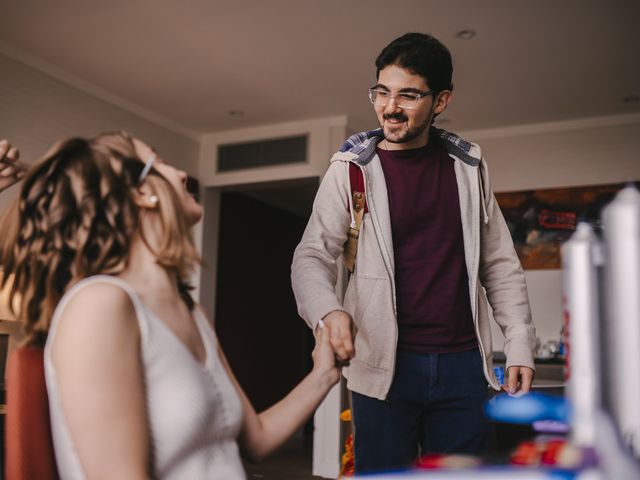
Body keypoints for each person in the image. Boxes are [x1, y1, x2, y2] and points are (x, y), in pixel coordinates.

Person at [0, 131, 340, 479]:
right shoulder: (99, 306)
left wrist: (324, 374)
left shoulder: (192, 312)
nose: (180, 174)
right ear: (142, 193)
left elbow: (258, 439)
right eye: (160, 163)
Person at [291, 32, 536, 473]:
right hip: (381, 366)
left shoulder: (469, 169)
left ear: (440, 101)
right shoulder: (350, 171)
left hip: (464, 366)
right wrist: (328, 313)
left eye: (408, 95)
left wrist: (518, 344)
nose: (390, 107)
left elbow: (499, 264)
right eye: (381, 92)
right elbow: (311, 256)